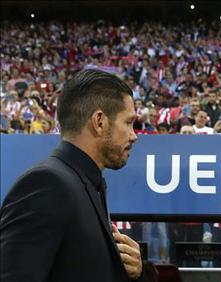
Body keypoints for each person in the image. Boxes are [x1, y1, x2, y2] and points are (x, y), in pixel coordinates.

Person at [0, 69, 143, 281]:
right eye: (129, 122)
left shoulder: (87, 184)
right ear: (99, 121)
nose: (134, 136)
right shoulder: (47, 185)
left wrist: (130, 271)